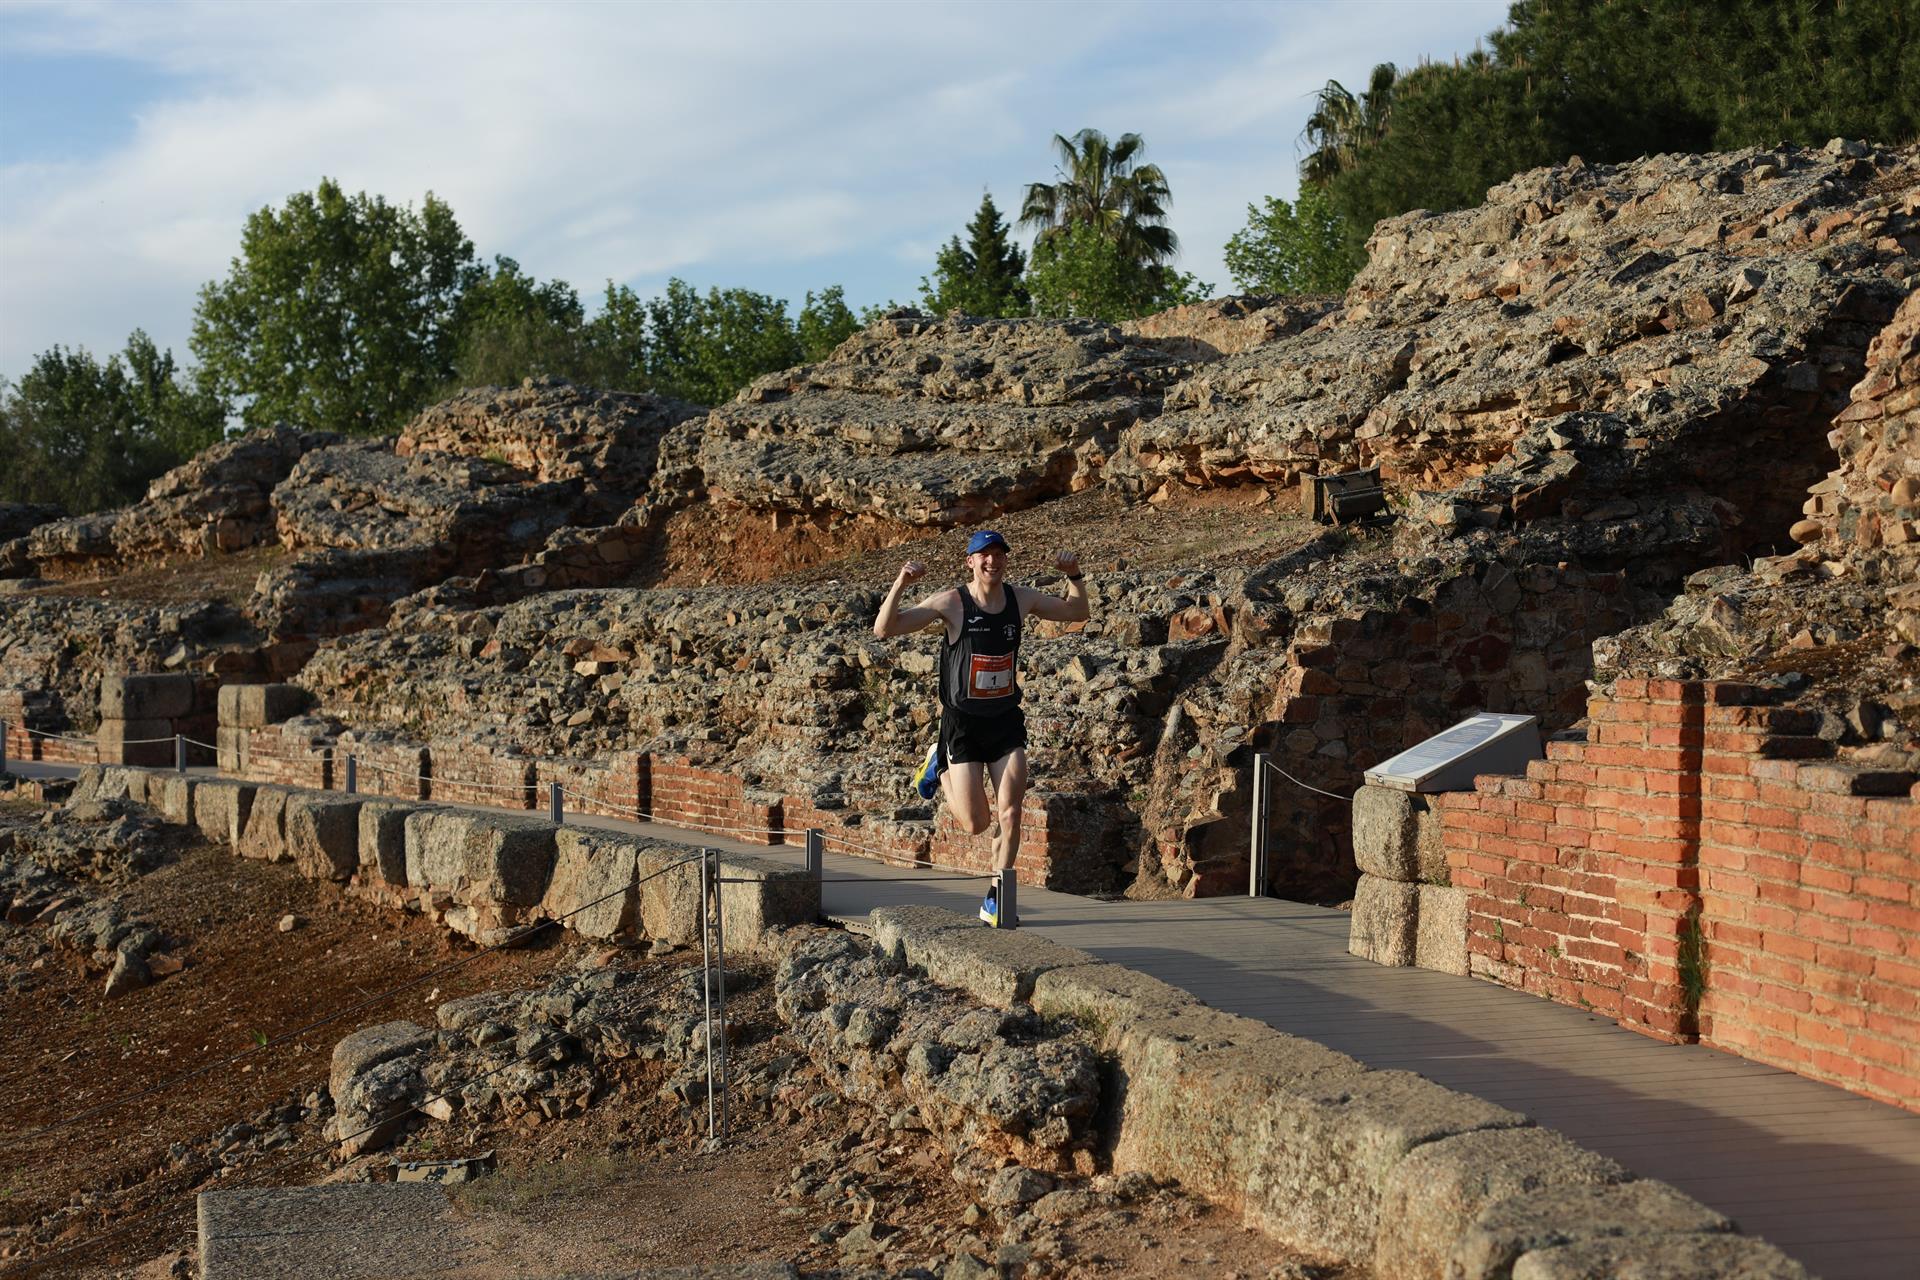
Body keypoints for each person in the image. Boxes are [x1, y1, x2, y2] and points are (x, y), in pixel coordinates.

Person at [871, 529, 1090, 926]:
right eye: (983, 555)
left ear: (1005, 560)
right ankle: (938, 765)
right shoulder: (953, 602)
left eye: (998, 554)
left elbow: (1077, 613)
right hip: (964, 724)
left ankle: (996, 897)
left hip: (1005, 720)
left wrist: (1074, 576)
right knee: (976, 823)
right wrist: (900, 583)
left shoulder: (1021, 599)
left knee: (1011, 812)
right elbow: (885, 629)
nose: (992, 561)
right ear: (970, 561)